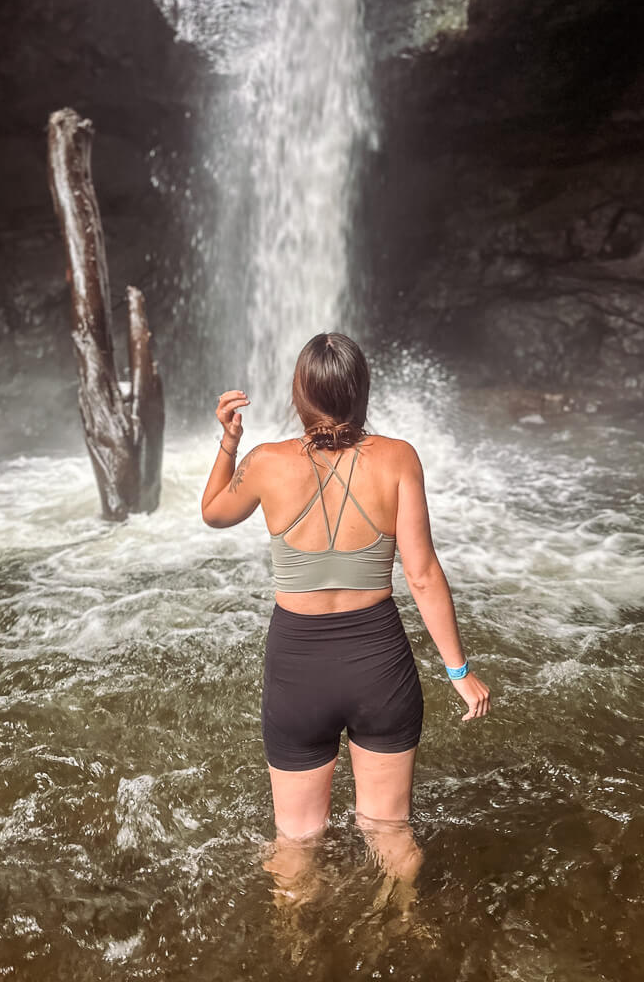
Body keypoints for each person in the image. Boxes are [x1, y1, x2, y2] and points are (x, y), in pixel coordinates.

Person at [201, 332, 490, 909]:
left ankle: (297, 954)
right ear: (361, 391)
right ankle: (405, 935)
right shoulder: (399, 457)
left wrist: (230, 443)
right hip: (379, 666)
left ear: (300, 394)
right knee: (390, 831)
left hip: (297, 671)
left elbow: (213, 514)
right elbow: (424, 575)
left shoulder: (265, 463)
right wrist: (459, 672)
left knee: (296, 842)